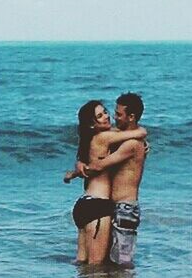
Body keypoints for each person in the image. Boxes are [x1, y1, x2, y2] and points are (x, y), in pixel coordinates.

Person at [63, 100, 147, 265]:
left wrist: (75, 172)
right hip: (98, 206)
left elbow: (89, 165)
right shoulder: (105, 137)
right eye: (99, 116)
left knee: (81, 264)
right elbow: (139, 133)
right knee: (96, 268)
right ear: (92, 125)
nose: (107, 117)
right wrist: (142, 133)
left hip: (84, 203)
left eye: (105, 112)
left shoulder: (91, 140)